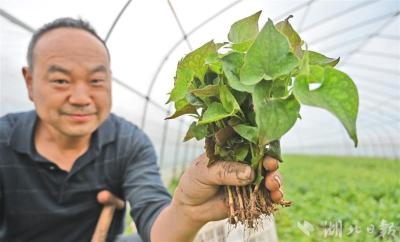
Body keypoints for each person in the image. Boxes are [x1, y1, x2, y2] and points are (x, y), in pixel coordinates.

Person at [0, 18, 285, 242]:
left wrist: (186, 210)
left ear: (109, 80)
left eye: (96, 80)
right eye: (61, 81)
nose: (80, 97)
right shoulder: (4, 139)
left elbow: (155, 224)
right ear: (29, 82)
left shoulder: (128, 142)